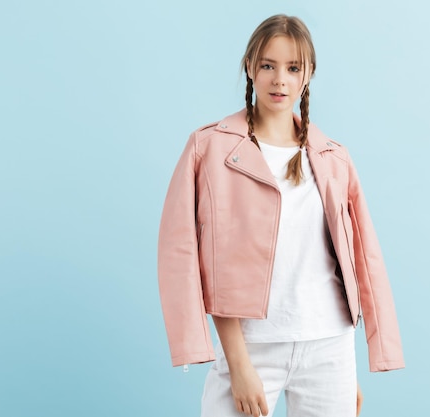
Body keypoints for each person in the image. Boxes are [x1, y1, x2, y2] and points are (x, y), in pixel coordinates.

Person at [158, 14, 404, 417]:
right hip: (252, 345)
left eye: (293, 68)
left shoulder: (331, 157)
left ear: (308, 75)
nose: (280, 79)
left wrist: (346, 370)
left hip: (330, 345)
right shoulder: (210, 149)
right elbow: (187, 254)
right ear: (250, 68)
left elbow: (361, 257)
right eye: (268, 65)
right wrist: (237, 365)